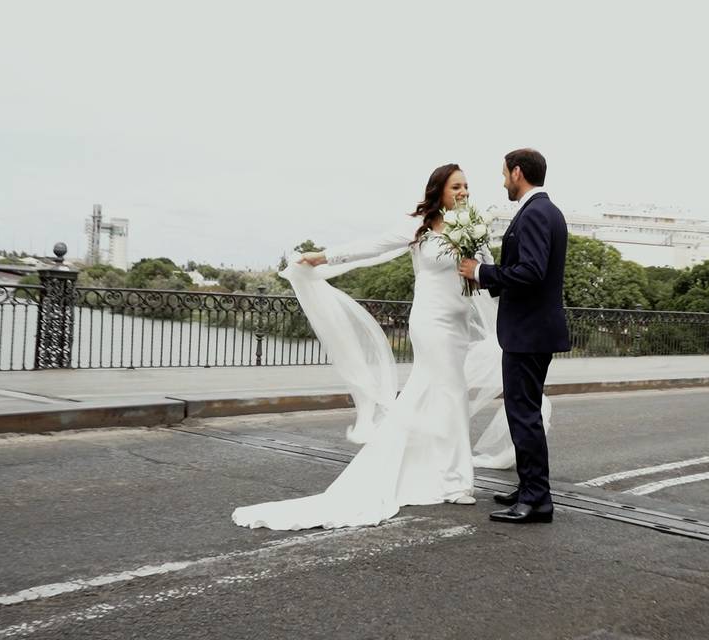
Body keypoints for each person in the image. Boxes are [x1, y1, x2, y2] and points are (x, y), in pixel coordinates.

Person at [232, 163, 526, 531]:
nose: (464, 192)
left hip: (458, 323)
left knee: (443, 394)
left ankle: (440, 470)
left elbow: (487, 272)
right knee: (450, 393)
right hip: (430, 322)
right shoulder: (419, 227)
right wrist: (323, 257)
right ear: (439, 190)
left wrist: (484, 269)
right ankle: (454, 480)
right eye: (456, 186)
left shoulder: (473, 229)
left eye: (466, 186)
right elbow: (372, 246)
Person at [459, 148, 570, 524]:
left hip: (529, 333)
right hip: (533, 330)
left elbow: (531, 272)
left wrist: (481, 273)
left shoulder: (536, 212)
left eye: (505, 173)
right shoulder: (546, 211)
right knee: (524, 412)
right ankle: (529, 487)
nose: (503, 180)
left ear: (518, 172)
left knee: (523, 415)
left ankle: (537, 500)